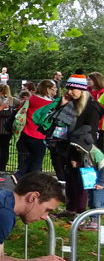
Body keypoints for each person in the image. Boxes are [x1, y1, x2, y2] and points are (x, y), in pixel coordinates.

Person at [48, 71, 104, 218]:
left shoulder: (91, 108)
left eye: (73, 89)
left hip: (81, 149)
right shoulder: (72, 104)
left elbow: (90, 134)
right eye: (68, 88)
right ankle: (70, 208)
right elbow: (57, 121)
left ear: (82, 89)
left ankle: (81, 212)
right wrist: (62, 104)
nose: (70, 92)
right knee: (70, 179)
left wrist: (78, 156)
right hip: (67, 146)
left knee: (80, 181)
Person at [12, 80, 55, 184]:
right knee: (37, 160)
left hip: (26, 132)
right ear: (47, 89)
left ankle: (20, 176)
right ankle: (33, 181)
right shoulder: (49, 103)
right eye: (53, 88)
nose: (55, 90)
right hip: (39, 134)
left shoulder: (31, 99)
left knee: (32, 156)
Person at [0, 84, 19, 175]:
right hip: (8, 128)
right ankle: (2, 167)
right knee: (5, 148)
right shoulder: (12, 100)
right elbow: (23, 103)